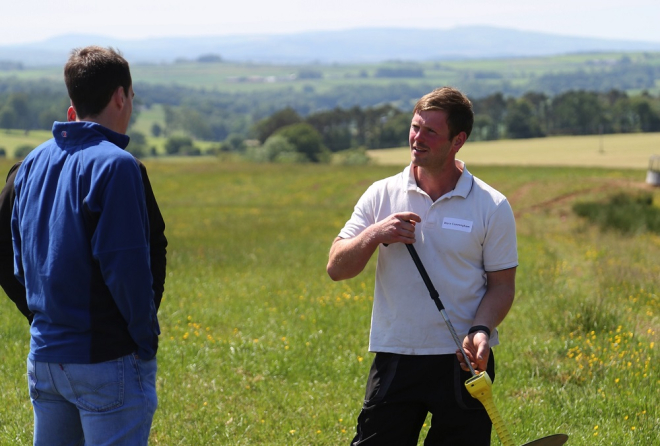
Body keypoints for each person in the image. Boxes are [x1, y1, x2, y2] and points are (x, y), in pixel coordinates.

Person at [327, 87, 518, 446]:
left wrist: (481, 329)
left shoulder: (491, 205)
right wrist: (374, 234)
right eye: (415, 127)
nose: (418, 138)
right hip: (397, 354)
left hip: (464, 363)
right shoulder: (381, 194)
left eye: (431, 131)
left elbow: (502, 285)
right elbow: (336, 267)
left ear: (458, 140)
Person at [9, 46, 162, 445]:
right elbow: (126, 267)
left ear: (73, 100)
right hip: (105, 358)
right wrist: (144, 341)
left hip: (44, 356)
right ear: (120, 96)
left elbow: (19, 260)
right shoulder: (116, 165)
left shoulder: (32, 162)